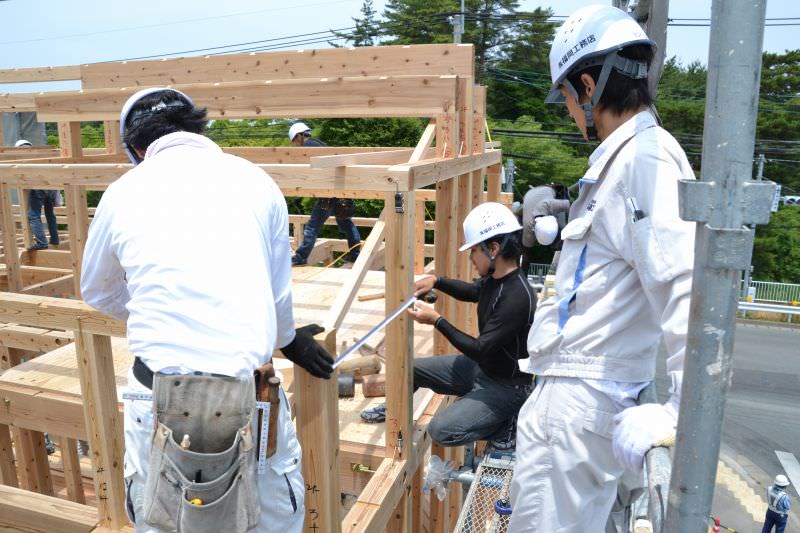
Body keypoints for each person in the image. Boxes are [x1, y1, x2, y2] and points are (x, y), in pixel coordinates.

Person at [81, 88, 334, 533]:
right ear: (199, 127)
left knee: (164, 520)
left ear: (137, 148)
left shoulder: (121, 193)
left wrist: (156, 315)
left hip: (157, 391)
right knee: (270, 520)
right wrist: (288, 339)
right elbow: (276, 295)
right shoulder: (256, 181)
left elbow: (97, 292)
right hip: (248, 391)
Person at [507, 5, 697, 531]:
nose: (569, 111)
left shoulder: (645, 159)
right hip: (580, 400)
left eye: (568, 98)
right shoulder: (627, 160)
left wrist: (684, 413)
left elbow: (685, 283)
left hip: (579, 402)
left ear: (587, 86)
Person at [361, 202, 535, 450]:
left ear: (493, 248)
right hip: (483, 370)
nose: (471, 258)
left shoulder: (517, 296)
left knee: (441, 430)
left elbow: (480, 348)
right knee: (410, 368)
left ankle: (507, 423)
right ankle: (394, 410)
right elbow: (474, 291)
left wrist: (437, 320)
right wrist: (437, 280)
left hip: (507, 387)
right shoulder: (495, 279)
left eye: (474, 250)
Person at [288, 122, 360, 266]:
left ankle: (301, 257)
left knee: (312, 227)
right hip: (339, 189)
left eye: (295, 141)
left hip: (327, 193)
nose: (296, 145)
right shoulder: (320, 144)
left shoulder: (307, 148)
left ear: (299, 135)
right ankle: (355, 255)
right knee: (346, 223)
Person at [21, 138, 61, 250]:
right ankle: (55, 239)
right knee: (50, 214)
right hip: (51, 185)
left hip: (38, 186)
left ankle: (42, 243)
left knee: (33, 215)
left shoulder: (22, 155)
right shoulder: (38, 154)